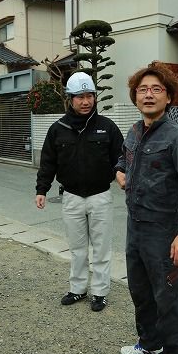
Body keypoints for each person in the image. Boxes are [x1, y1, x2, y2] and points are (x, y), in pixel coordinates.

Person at [115, 62, 178, 354]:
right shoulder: (134, 131)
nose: (148, 95)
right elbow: (123, 158)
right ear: (135, 97)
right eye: (142, 90)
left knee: (167, 295)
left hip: (165, 231)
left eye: (156, 90)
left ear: (168, 98)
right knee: (140, 290)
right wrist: (120, 171)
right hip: (135, 226)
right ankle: (150, 345)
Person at [35, 72, 123, 312]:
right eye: (79, 97)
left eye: (89, 96)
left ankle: (100, 293)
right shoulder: (58, 129)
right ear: (69, 99)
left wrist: (122, 173)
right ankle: (77, 289)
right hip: (72, 196)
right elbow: (48, 162)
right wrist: (42, 189)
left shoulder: (107, 127)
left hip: (101, 196)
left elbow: (121, 158)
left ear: (95, 97)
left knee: (102, 249)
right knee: (77, 248)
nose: (85, 101)